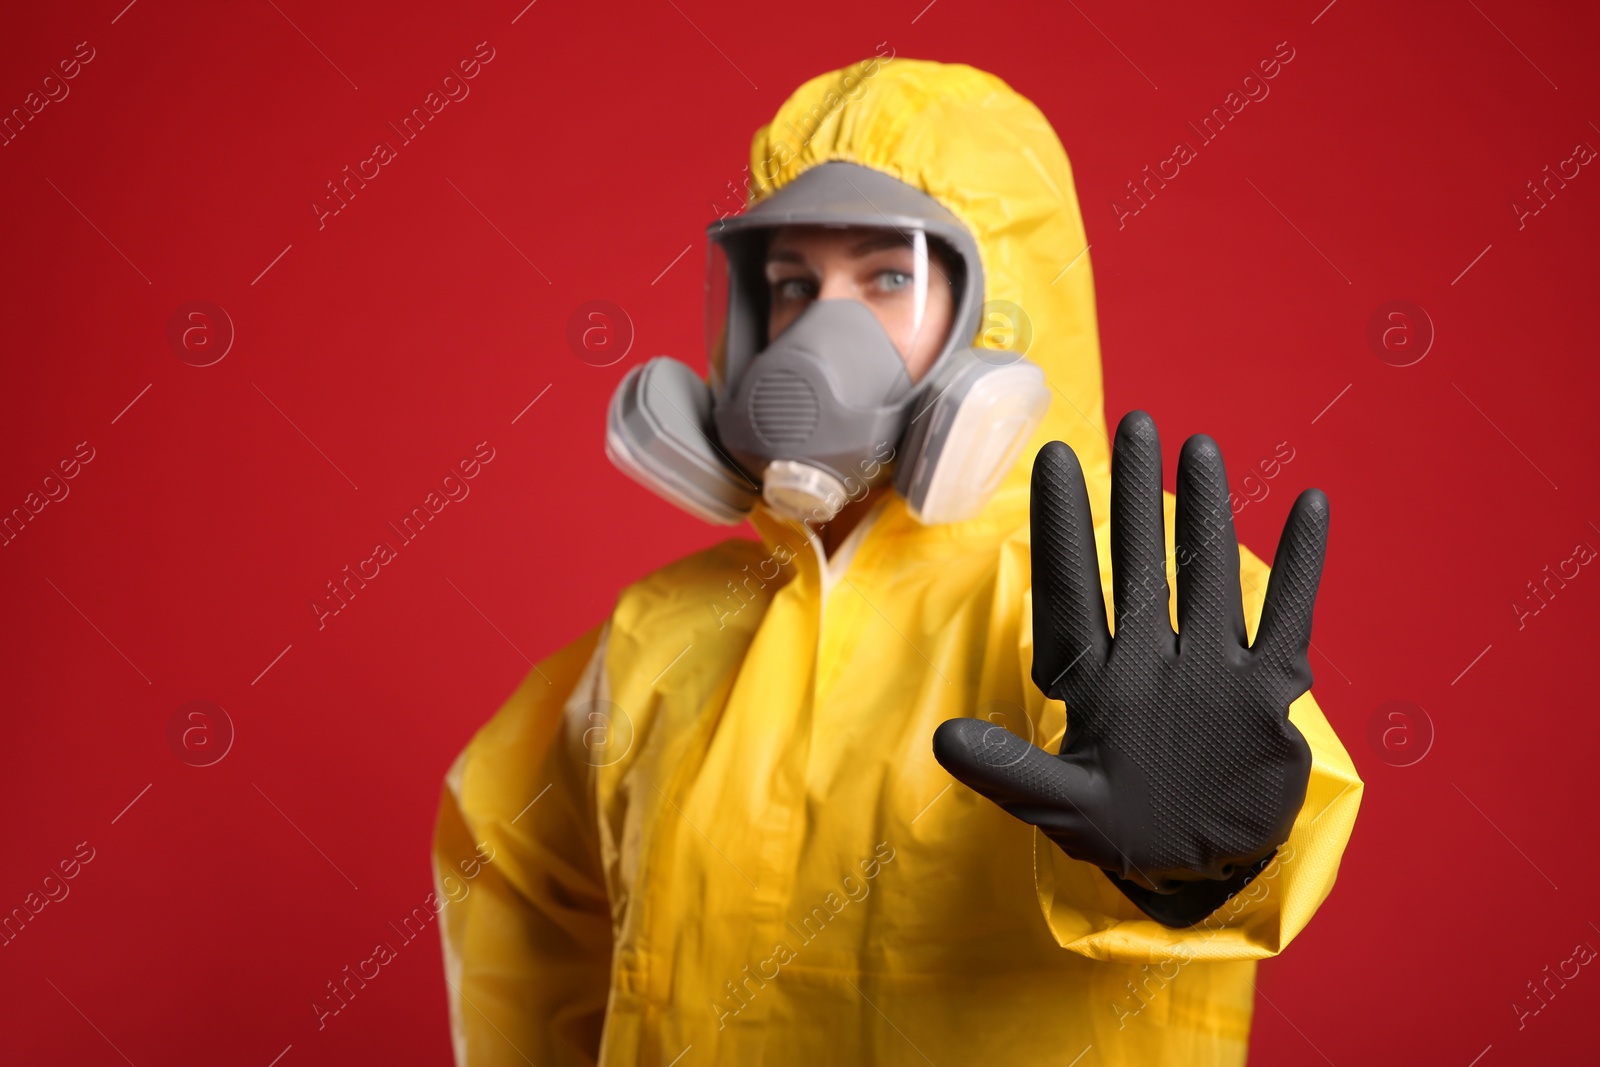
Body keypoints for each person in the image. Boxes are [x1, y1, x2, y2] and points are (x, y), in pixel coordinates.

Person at [432, 57, 1362, 1066]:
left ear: (999, 315)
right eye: (791, 283)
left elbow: (1276, 792)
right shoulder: (658, 633)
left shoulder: (1118, 591)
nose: (820, 331)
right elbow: (512, 875)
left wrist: (1211, 857)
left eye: (885, 277)